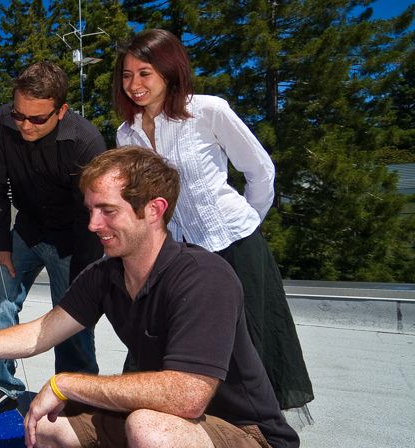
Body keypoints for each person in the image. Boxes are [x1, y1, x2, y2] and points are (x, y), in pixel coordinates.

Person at [0, 146, 300, 448]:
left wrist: (66, 383)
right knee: (51, 429)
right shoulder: (105, 274)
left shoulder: (203, 277)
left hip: (244, 433)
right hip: (164, 417)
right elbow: (41, 332)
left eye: (108, 211)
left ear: (154, 210)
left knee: (151, 430)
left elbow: (187, 396)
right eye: (91, 210)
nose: (92, 225)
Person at [112, 28, 313, 413]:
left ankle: (262, 430)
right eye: (126, 75)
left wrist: (246, 223)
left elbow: (260, 170)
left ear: (168, 72)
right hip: (182, 256)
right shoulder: (127, 135)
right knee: (185, 342)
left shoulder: (208, 111)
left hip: (236, 246)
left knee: (253, 345)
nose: (133, 84)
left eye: (144, 73)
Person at [0, 61, 107, 417]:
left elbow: (94, 213)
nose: (25, 126)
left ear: (61, 111)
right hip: (27, 230)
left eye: (37, 119)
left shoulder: (86, 141)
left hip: (74, 239)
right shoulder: (2, 125)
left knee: (74, 315)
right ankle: (1, 384)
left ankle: (74, 393)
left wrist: (86, 275)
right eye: (19, 116)